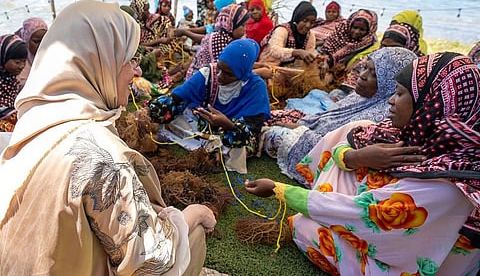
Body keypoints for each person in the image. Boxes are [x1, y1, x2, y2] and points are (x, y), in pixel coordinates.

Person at [0, 0, 216, 275]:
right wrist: (193, 214)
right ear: (100, 62)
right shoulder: (99, 153)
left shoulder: (35, 119)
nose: (136, 71)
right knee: (191, 233)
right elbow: (152, 261)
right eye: (128, 60)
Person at [246, 52, 480, 275]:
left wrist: (279, 190)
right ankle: (327, 204)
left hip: (410, 264)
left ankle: (325, 212)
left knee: (303, 226)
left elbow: (363, 214)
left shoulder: (448, 185)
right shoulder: (426, 139)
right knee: (354, 137)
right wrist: (358, 157)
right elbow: (344, 144)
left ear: (430, 105)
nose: (390, 100)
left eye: (399, 94)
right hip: (392, 230)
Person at [261, 47, 417, 184]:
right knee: (274, 115)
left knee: (273, 134)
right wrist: (298, 124)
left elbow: (333, 142)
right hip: (320, 134)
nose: (362, 75)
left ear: (389, 84)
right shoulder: (361, 97)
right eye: (365, 68)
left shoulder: (386, 115)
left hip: (330, 151)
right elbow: (325, 118)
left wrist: (296, 128)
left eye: (374, 75)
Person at [148, 38, 271, 174]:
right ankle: (211, 148)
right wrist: (153, 110)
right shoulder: (208, 74)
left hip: (232, 134)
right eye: (219, 68)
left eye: (228, 74)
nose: (219, 76)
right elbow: (177, 98)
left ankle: (210, 148)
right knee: (172, 116)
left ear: (243, 72)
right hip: (203, 126)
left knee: (239, 148)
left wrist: (228, 125)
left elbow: (251, 132)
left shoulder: (255, 87)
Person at [185, 3, 249, 80]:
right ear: (231, 24)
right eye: (242, 26)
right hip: (201, 82)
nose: (245, 29)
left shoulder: (228, 38)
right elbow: (229, 68)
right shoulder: (218, 39)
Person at [0, 34, 27, 132]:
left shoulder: (12, 80)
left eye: (24, 62)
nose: (21, 66)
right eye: (17, 62)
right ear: (3, 57)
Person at [16, 17, 48, 88]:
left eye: (44, 40)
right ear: (27, 40)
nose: (41, 45)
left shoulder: (51, 55)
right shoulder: (18, 60)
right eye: (36, 41)